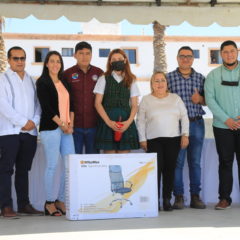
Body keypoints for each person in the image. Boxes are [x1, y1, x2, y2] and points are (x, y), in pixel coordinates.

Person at [137, 72, 189, 211]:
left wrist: (185, 135)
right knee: (156, 170)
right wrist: (142, 139)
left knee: (169, 170)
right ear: (152, 84)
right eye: (156, 81)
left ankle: (166, 199)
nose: (160, 83)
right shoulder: (146, 100)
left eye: (162, 80)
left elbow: (184, 117)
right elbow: (140, 121)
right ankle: (155, 201)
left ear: (167, 83)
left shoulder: (175, 98)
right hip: (154, 140)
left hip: (173, 139)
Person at [0, 46, 42, 217]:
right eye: (16, 58)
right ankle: (6, 207)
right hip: (9, 132)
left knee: (24, 170)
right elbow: (3, 106)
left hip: (30, 133)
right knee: (6, 170)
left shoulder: (32, 80)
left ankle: (24, 204)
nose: (20, 61)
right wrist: (24, 122)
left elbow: (38, 104)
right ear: (9, 60)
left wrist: (34, 122)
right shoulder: (2, 79)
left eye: (22, 58)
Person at [36, 51, 75, 216]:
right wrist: (62, 124)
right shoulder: (42, 82)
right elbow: (47, 108)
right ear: (46, 64)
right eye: (51, 61)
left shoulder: (64, 82)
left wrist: (70, 123)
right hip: (51, 128)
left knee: (69, 166)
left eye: (58, 61)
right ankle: (49, 202)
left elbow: (71, 105)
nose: (55, 64)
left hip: (67, 129)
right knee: (52, 165)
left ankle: (60, 200)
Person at [167, 46, 206, 209]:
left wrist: (201, 99)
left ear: (193, 59)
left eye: (189, 56)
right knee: (177, 163)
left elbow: (208, 101)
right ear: (177, 58)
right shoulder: (168, 78)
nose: (185, 59)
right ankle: (179, 197)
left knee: (195, 162)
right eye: (182, 56)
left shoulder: (201, 78)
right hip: (176, 126)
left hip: (196, 123)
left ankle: (196, 196)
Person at [205, 40, 240, 210]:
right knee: (225, 163)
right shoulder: (213, 75)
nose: (229, 54)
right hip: (222, 126)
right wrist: (227, 119)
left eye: (232, 51)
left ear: (237, 52)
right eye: (225, 52)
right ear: (221, 54)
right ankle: (224, 198)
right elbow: (210, 100)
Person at [94, 48, 139, 153]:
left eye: (119, 58)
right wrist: (109, 122)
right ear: (110, 62)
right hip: (108, 122)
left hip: (126, 122)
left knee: (124, 159)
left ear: (125, 60)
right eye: (113, 59)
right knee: (109, 159)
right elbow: (97, 103)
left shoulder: (131, 79)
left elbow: (134, 105)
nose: (116, 61)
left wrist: (128, 122)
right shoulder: (104, 78)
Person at [63, 41, 103, 154]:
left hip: (94, 126)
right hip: (74, 127)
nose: (84, 56)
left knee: (94, 161)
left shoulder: (99, 73)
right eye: (81, 53)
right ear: (75, 55)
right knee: (75, 161)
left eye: (87, 53)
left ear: (91, 55)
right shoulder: (67, 74)